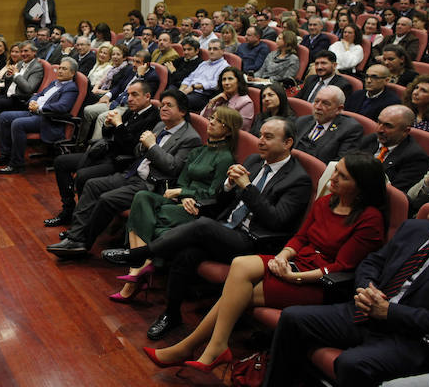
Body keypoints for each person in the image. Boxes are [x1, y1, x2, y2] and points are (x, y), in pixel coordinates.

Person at [146, 153, 387, 372]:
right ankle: (213, 347)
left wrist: (294, 277)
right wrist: (282, 257)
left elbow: (341, 268)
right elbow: (301, 237)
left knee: (239, 295)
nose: (332, 178)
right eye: (336, 170)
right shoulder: (326, 202)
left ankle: (191, 348)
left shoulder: (370, 220)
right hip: (296, 263)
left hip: (322, 283)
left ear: (361, 186)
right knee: (240, 265)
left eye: (342, 176)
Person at [262, 175, 429, 387]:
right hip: (366, 312)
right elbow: (371, 262)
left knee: (352, 364)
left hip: (412, 337)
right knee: (292, 317)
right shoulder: (415, 228)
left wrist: (389, 312)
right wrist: (367, 288)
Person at [126, 117, 311, 341]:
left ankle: (142, 254)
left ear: (288, 143)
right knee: (187, 253)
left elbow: (276, 220)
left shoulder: (298, 179)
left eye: (268, 137)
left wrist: (247, 187)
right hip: (227, 229)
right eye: (260, 135)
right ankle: (171, 315)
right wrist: (229, 185)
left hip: (253, 241)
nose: (260, 141)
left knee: (203, 225)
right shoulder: (253, 161)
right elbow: (223, 200)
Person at [46, 88, 201, 258]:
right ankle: (74, 236)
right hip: (133, 174)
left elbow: (173, 167)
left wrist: (152, 146)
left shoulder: (190, 138)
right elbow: (137, 150)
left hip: (151, 184)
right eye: (162, 105)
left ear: (183, 111)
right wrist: (143, 145)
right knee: (92, 185)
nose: (163, 108)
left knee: (107, 199)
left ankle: (81, 242)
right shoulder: (160, 125)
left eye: (169, 105)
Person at [108, 107, 241, 302]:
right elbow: (183, 180)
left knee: (150, 217)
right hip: (180, 200)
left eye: (218, 121)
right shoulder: (199, 151)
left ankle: (134, 277)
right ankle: (142, 267)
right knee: (142, 197)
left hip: (197, 208)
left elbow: (214, 193)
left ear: (228, 130)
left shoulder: (225, 157)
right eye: (211, 117)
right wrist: (182, 192)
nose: (211, 122)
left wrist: (185, 194)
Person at [45, 80, 160, 227]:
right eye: (129, 94)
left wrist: (118, 125)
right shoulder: (132, 111)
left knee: (83, 176)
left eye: (135, 95)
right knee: (61, 162)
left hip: (122, 161)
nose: (129, 98)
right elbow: (109, 134)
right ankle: (68, 209)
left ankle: (83, 220)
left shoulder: (152, 117)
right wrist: (107, 124)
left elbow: (131, 147)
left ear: (147, 96)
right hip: (107, 153)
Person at [0, 58, 80, 174]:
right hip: (34, 112)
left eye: (64, 69)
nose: (60, 71)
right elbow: (38, 94)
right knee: (4, 116)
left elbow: (62, 107)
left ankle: (17, 164)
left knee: (18, 124)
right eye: (60, 68)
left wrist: (39, 108)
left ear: (72, 73)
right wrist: (32, 102)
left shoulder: (71, 88)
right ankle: (5, 156)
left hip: (47, 119)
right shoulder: (55, 83)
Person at [358, 105, 429, 192]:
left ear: (405, 131)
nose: (379, 130)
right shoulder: (371, 139)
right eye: (379, 122)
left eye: (388, 126)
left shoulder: (415, 157)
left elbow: (395, 194)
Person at [295, 85, 364, 164]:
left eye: (325, 103)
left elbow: (338, 164)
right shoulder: (302, 121)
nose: (318, 107)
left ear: (339, 109)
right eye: (316, 101)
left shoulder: (351, 129)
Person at [180, 40, 230, 111]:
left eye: (215, 49)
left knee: (178, 101)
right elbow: (189, 78)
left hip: (203, 95)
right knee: (170, 95)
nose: (211, 51)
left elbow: (216, 84)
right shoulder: (203, 64)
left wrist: (194, 87)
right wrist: (181, 90)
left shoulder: (224, 66)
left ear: (222, 51)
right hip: (189, 91)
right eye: (209, 49)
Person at [202, 67, 254, 131]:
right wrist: (212, 102)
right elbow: (203, 119)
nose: (226, 83)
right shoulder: (220, 98)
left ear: (239, 81)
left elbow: (241, 129)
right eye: (224, 79)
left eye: (230, 79)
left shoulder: (246, 102)